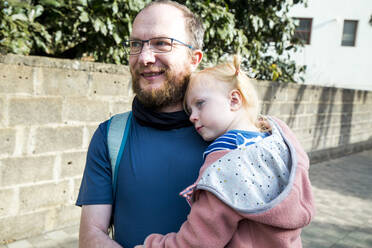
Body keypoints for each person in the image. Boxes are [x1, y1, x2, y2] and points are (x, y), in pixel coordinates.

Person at [135, 55, 315, 248]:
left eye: (200, 104)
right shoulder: (279, 140)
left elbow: (200, 239)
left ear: (234, 100)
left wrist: (153, 245)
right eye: (189, 111)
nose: (192, 117)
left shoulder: (225, 157)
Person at [76, 1, 208, 247]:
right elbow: (92, 235)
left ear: (194, 58)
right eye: (136, 44)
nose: (145, 58)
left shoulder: (231, 137)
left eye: (161, 43)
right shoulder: (111, 135)